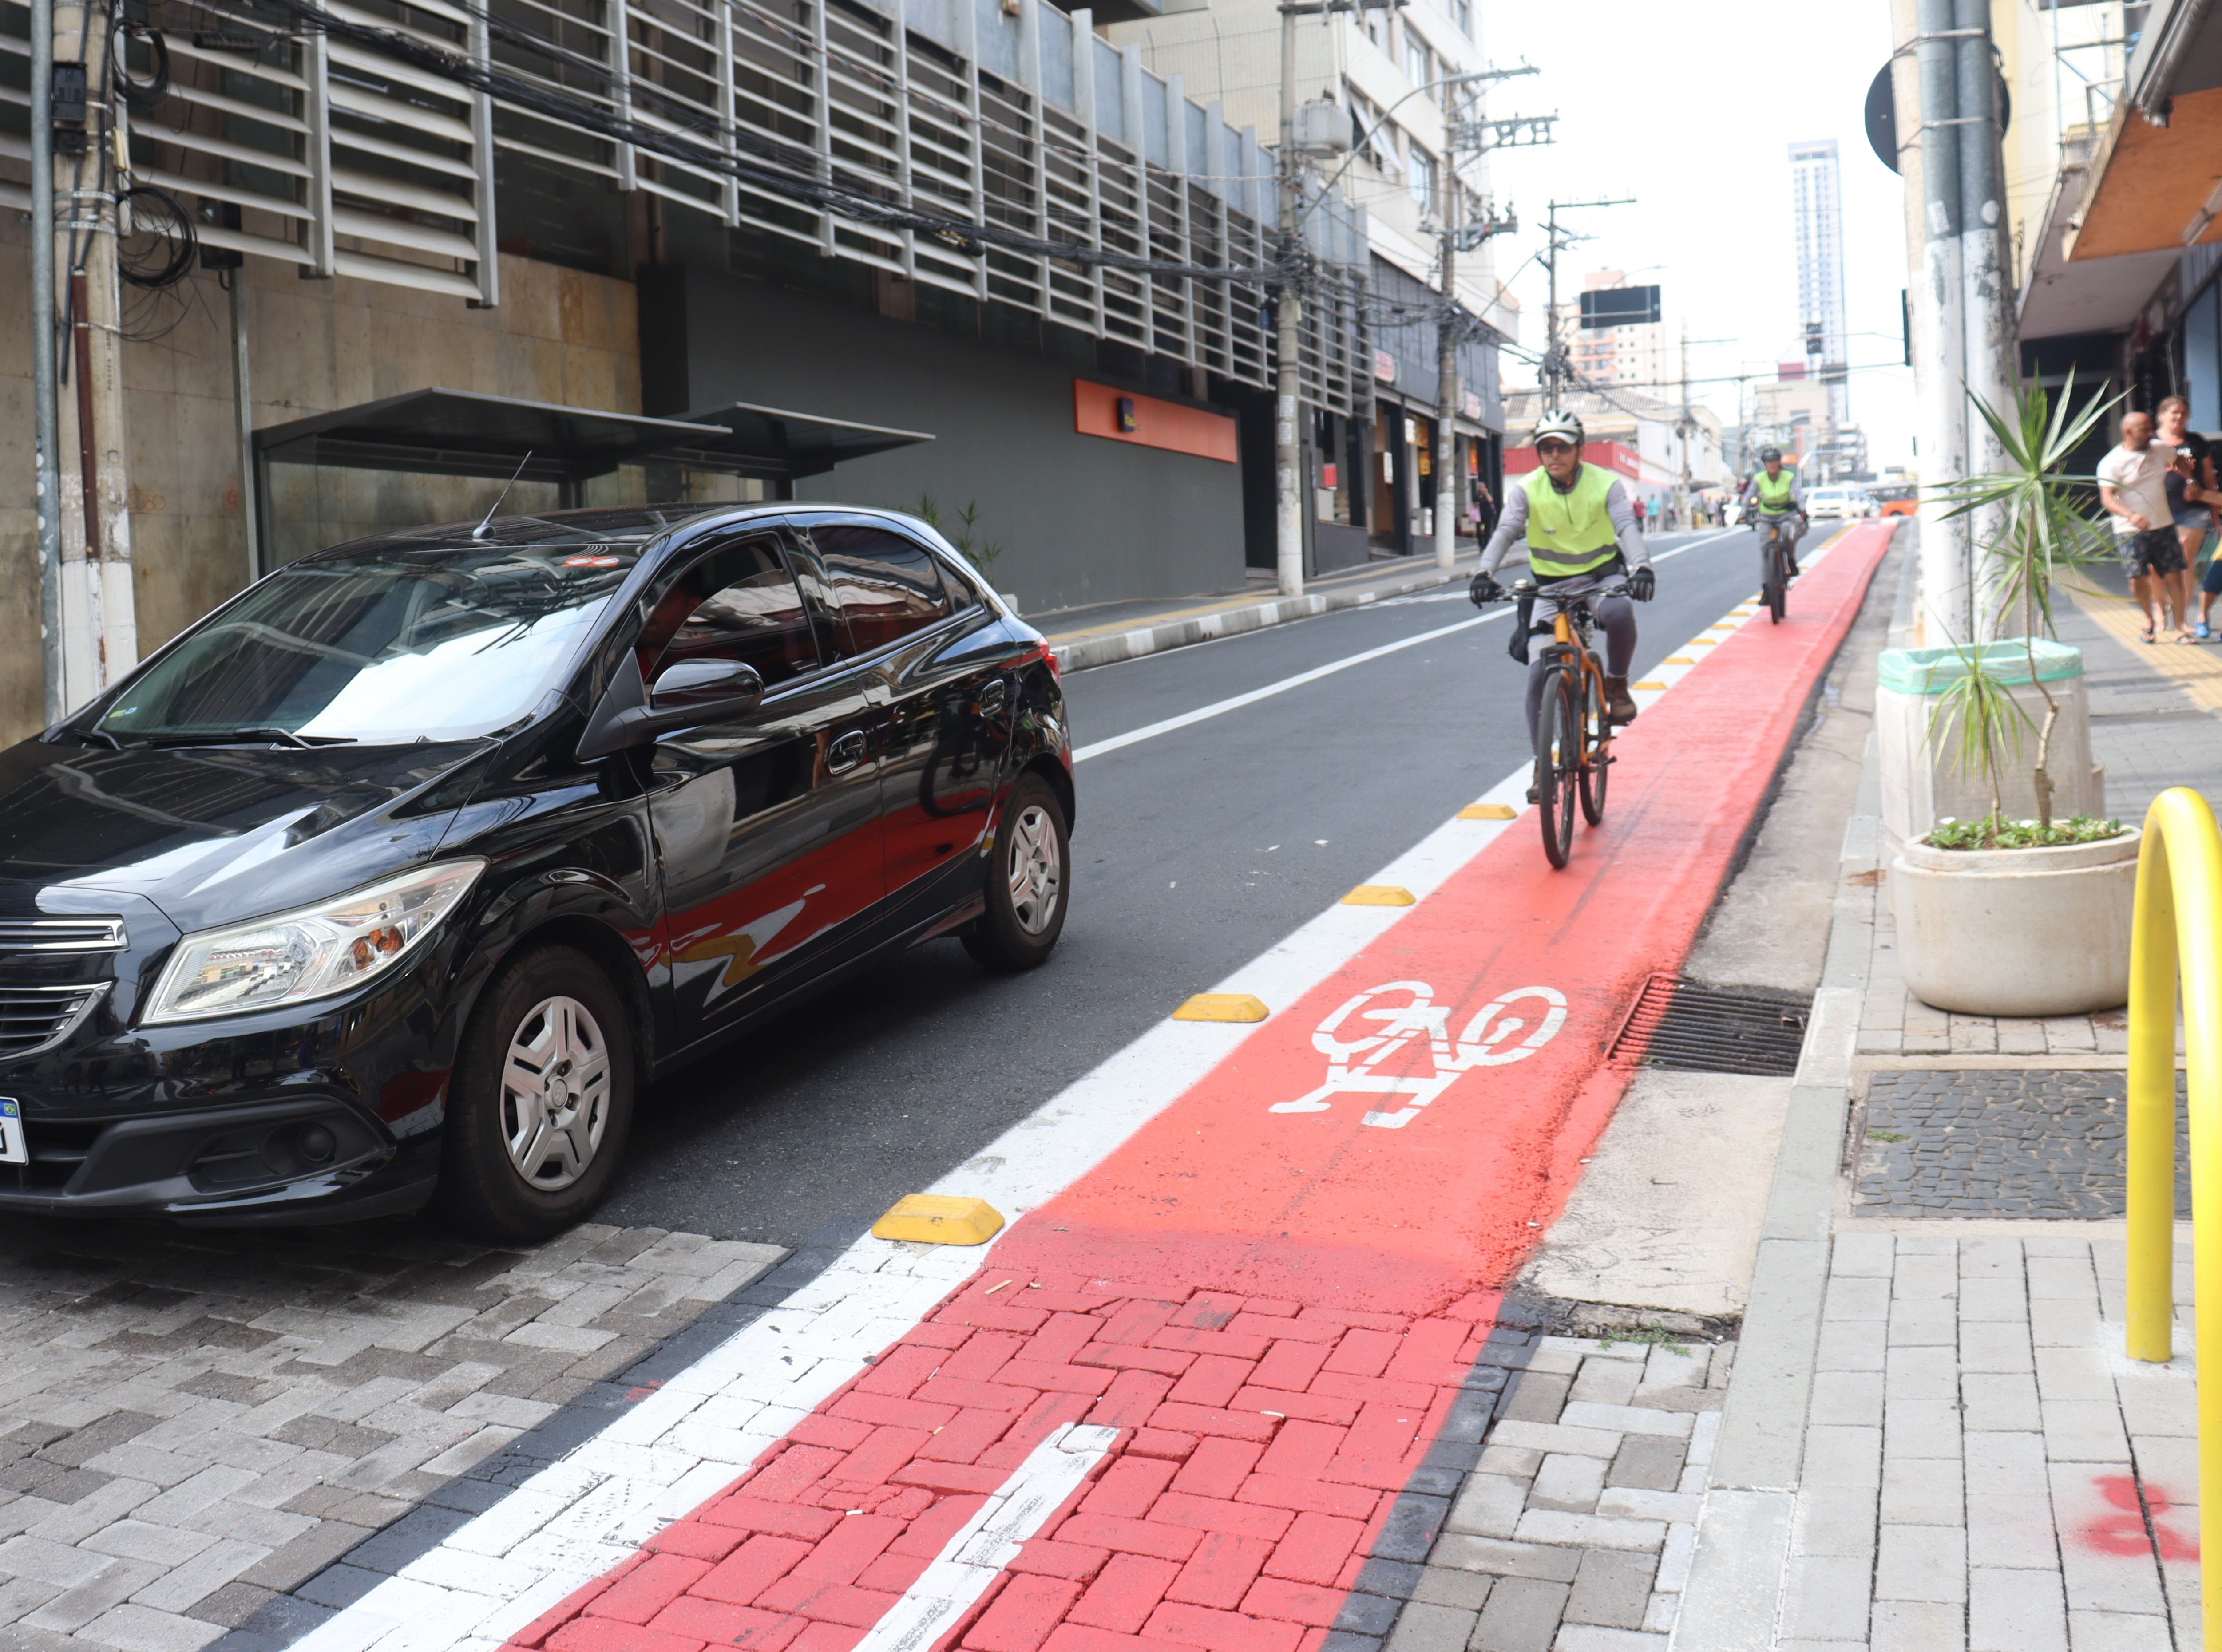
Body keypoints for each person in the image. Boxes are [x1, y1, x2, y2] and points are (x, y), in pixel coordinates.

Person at [1468, 411, 1656, 796]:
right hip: (1550, 588)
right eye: (1546, 448)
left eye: (1563, 447)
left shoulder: (1606, 484)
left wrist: (1641, 568)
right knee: (1538, 673)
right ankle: (1543, 764)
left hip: (1601, 577)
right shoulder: (1527, 489)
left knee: (1620, 612)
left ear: (1579, 449)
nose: (1554, 455)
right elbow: (1506, 529)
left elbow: (1625, 525)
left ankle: (1617, 686)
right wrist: (1484, 572)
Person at [2097, 410, 2187, 643]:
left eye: (2151, 429)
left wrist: (2190, 476)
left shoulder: (2161, 449)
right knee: (2137, 578)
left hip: (2163, 524)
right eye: (2144, 430)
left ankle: (2180, 627)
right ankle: (2149, 619)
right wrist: (2131, 515)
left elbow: (2180, 463)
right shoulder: (2111, 463)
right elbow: (2107, 499)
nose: (2150, 434)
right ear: (2128, 432)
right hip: (2130, 530)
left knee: (2174, 575)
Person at [2157, 396, 2220, 638]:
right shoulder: (2151, 441)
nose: (2179, 417)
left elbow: (2209, 477)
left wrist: (2215, 515)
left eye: (2184, 413)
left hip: (2193, 510)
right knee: (2158, 565)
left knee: (2185, 560)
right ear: (2161, 415)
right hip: (2159, 509)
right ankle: (2161, 609)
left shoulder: (2196, 441)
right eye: (2174, 413)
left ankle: (2181, 617)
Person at [1738, 446, 1805, 578]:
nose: (1772, 465)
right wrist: (1743, 513)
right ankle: (1767, 588)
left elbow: (1799, 494)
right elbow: (1748, 496)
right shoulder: (1759, 478)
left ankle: (1791, 560)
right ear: (1764, 464)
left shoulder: (1789, 476)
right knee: (1765, 547)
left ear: (1780, 462)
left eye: (1775, 461)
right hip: (1766, 517)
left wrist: (1803, 510)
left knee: (1786, 533)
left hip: (1786, 515)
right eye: (1769, 462)